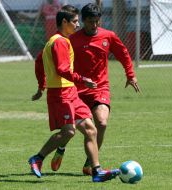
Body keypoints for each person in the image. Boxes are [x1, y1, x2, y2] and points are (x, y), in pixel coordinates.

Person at [29, 5, 119, 182]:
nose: (78, 25)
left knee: (91, 130)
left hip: (71, 92)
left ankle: (96, 171)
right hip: (61, 93)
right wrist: (82, 79)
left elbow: (39, 62)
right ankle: (38, 158)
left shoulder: (55, 40)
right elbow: (63, 69)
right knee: (69, 132)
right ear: (64, 22)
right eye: (75, 21)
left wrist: (41, 86)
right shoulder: (60, 42)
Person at [50, 3, 140, 175]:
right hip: (76, 90)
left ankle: (90, 164)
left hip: (100, 88)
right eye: (91, 21)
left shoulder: (109, 36)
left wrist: (130, 75)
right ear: (83, 21)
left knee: (102, 122)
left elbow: (123, 54)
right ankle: (61, 147)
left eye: (97, 21)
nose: (94, 25)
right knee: (70, 129)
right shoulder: (72, 39)